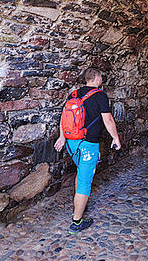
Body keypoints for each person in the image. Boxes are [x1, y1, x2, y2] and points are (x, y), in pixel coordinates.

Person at [54, 68, 122, 234]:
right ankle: (77, 222)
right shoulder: (100, 96)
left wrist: (62, 137)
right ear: (97, 78)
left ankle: (79, 206)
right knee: (85, 182)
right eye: (101, 77)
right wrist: (116, 138)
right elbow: (108, 119)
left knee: (80, 173)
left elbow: (64, 116)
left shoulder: (74, 94)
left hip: (71, 143)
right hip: (88, 145)